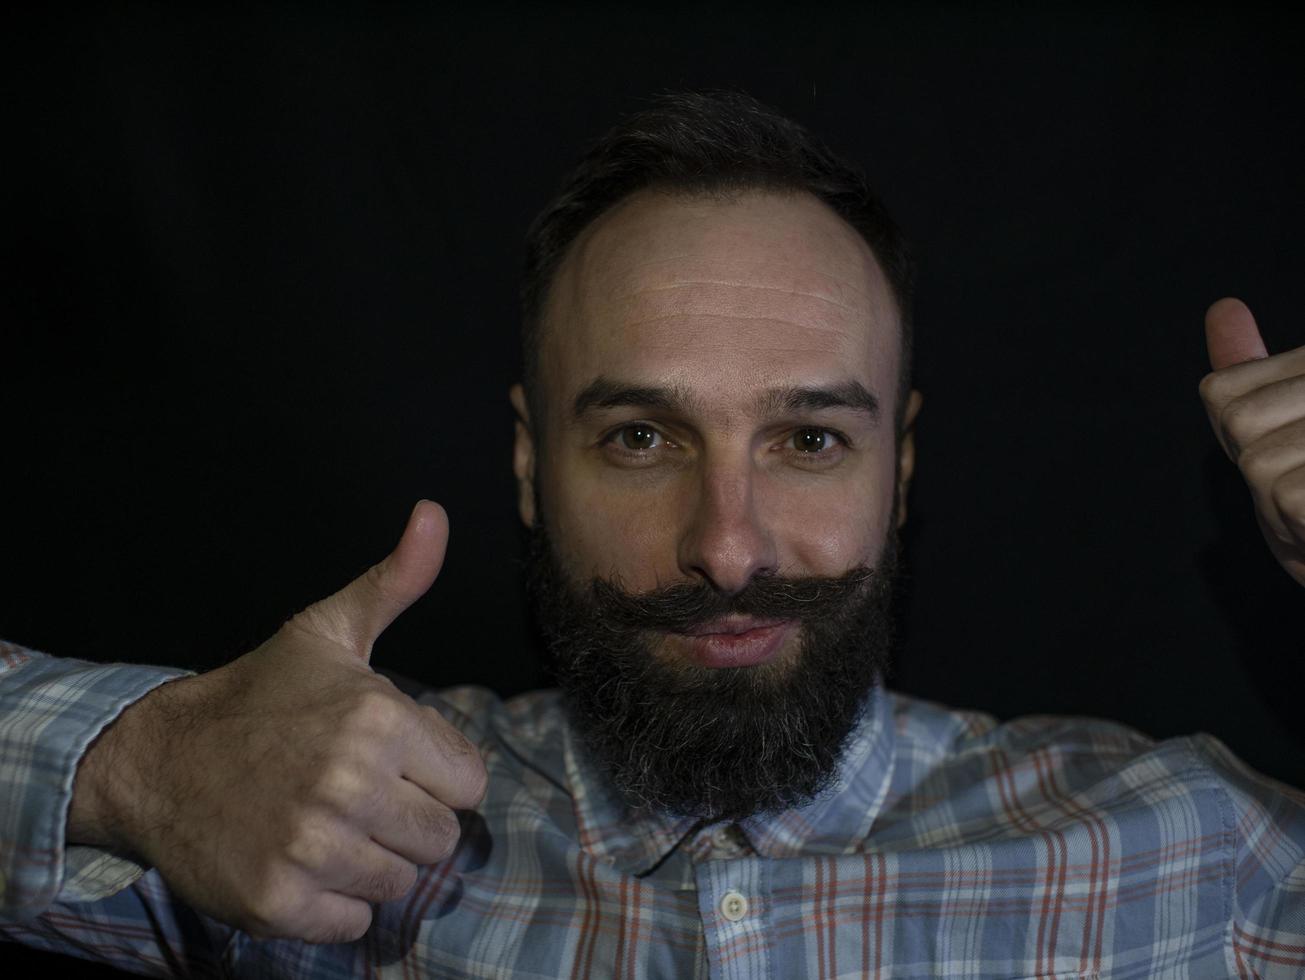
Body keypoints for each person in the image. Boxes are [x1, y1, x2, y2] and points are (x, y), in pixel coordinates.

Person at [2, 91, 1303, 979]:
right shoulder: (313, 823)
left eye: (807, 439)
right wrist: (151, 765)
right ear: (530, 462)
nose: (727, 551)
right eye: (639, 438)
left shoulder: (1178, 841)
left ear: (898, 468)